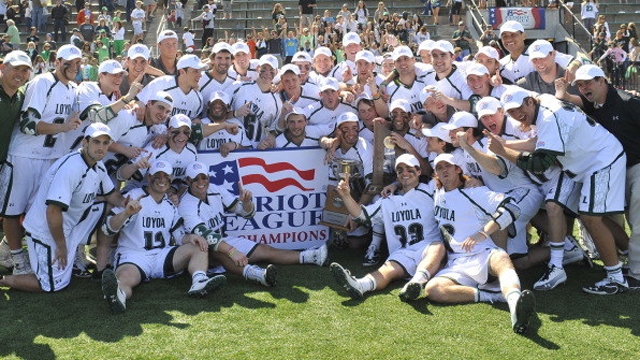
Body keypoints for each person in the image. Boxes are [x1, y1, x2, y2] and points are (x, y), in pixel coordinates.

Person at [496, 86, 629, 295]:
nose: (516, 114)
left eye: (519, 108)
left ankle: (616, 277)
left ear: (530, 101)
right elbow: (537, 141)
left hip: (601, 160)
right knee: (590, 217)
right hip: (594, 159)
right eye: (511, 112)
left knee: (591, 218)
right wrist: (507, 143)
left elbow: (541, 163)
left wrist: (503, 150)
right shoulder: (544, 104)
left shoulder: (549, 118)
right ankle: (628, 255)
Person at [0, 124, 129, 292]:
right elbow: (52, 211)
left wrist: (127, 204)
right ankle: (4, 280)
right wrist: (61, 246)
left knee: (116, 210)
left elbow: (112, 195)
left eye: (105, 143)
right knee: (51, 285)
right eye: (96, 142)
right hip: (46, 230)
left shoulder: (97, 164)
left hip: (71, 224)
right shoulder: (71, 168)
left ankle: (102, 267)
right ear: (85, 142)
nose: (101, 147)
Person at [421, 153, 536, 334]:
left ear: (458, 169)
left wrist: (483, 233)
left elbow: (512, 207)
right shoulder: (436, 193)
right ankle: (493, 296)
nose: (444, 171)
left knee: (501, 258)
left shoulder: (475, 192)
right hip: (456, 263)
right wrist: (393, 185)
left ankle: (515, 307)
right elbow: (410, 183)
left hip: (482, 254)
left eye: (448, 166)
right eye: (439, 168)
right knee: (433, 290)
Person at [101, 160, 227, 314]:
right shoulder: (134, 196)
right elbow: (108, 228)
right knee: (125, 278)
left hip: (161, 255)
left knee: (198, 245)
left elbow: (179, 236)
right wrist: (126, 213)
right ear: (149, 177)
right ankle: (118, 296)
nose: (162, 180)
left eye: (165, 176)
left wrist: (191, 237)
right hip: (135, 255)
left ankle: (200, 282)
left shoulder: (170, 204)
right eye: (157, 176)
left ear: (171, 178)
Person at [0, 45, 82, 276]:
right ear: (56, 61)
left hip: (50, 157)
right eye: (69, 62)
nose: (74, 67)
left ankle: (9, 249)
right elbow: (28, 124)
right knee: (13, 211)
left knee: (39, 213)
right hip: (24, 156)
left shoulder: (73, 89)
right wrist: (62, 127)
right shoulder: (43, 82)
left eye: (78, 63)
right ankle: (18, 263)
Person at [556, 64, 640, 290]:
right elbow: (570, 100)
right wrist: (562, 92)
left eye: (588, 83)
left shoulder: (628, 102)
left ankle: (637, 274)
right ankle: (626, 263)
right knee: (608, 219)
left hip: (636, 167)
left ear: (602, 80)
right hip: (613, 171)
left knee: (637, 222)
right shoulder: (594, 104)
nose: (583, 88)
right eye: (580, 85)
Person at [178, 161, 328, 287]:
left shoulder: (215, 190)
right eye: (195, 179)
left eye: (203, 178)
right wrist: (232, 251)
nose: (200, 182)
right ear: (188, 181)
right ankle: (258, 275)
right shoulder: (186, 204)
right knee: (217, 250)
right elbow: (207, 236)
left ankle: (310, 256)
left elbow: (247, 213)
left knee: (264, 250)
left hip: (221, 239)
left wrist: (247, 202)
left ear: (208, 178)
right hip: (201, 249)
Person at [329, 154, 444, 300]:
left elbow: (446, 179)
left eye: (410, 169)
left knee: (438, 247)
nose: (405, 173)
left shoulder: (430, 190)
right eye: (400, 170)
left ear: (419, 171)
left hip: (428, 248)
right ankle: (359, 285)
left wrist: (471, 181)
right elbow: (361, 216)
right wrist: (346, 196)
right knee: (386, 270)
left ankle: (416, 283)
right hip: (403, 252)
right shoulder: (388, 201)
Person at [0, 51, 32, 270]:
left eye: (24, 70)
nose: (20, 74)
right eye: (15, 68)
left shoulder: (21, 96)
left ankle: (4, 253)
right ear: (3, 67)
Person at [136, 54, 206, 118]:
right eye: (195, 71)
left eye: (200, 71)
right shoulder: (161, 83)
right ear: (182, 72)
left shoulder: (198, 99)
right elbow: (137, 102)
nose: (200, 75)